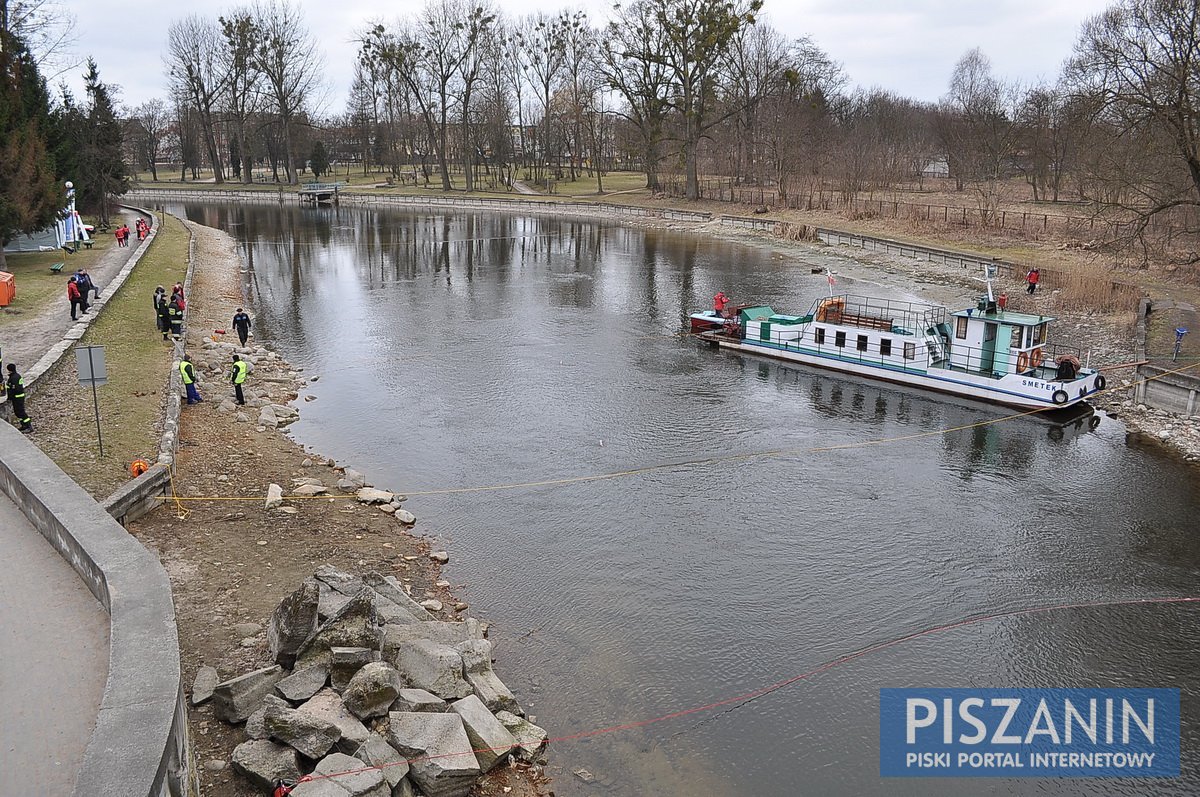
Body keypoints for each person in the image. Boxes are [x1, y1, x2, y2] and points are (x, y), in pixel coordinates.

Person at [6, 363, 31, 431]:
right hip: (17, 397)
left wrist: (10, 396)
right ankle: (23, 425)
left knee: (21, 412)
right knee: (17, 412)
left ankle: (29, 426)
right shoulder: (16, 376)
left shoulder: (14, 378)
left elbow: (14, 389)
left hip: (17, 397)